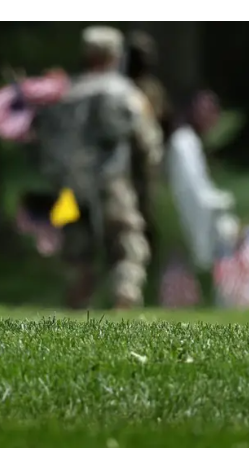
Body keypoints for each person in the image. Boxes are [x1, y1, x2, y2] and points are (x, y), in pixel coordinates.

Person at [33, 25, 163, 310]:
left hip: (68, 187)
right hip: (111, 182)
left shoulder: (67, 94)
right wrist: (146, 183)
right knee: (127, 242)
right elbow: (147, 142)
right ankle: (123, 297)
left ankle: (79, 302)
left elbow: (46, 143)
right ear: (115, 56)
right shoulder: (125, 92)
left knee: (76, 250)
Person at [166, 89, 235, 272]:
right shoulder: (183, 141)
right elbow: (193, 192)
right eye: (207, 111)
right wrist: (223, 201)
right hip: (200, 222)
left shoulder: (191, 141)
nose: (213, 117)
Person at [125, 30, 172, 255]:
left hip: (145, 156)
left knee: (145, 205)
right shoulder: (123, 88)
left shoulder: (152, 88)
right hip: (125, 156)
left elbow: (163, 120)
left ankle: (147, 250)